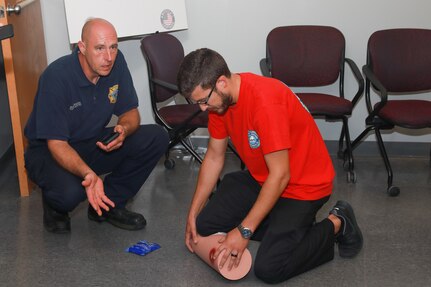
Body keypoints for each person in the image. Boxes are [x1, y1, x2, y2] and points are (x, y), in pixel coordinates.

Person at [177, 48, 363, 284]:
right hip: (262, 177)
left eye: (203, 100)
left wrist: (245, 231)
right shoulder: (220, 102)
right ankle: (282, 225)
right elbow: (214, 157)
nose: (202, 108)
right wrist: (192, 214)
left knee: (270, 268)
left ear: (222, 82)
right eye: (196, 103)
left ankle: (338, 222)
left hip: (302, 186)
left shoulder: (264, 102)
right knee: (203, 225)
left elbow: (281, 175)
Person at [24, 18, 169, 234]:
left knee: (157, 137)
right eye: (100, 48)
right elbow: (56, 144)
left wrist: (124, 130)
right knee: (70, 194)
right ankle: (54, 206)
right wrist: (88, 174)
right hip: (49, 150)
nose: (108, 57)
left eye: (113, 47)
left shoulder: (116, 63)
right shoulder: (56, 77)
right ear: (81, 48)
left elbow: (130, 112)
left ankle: (106, 205)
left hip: (91, 142)